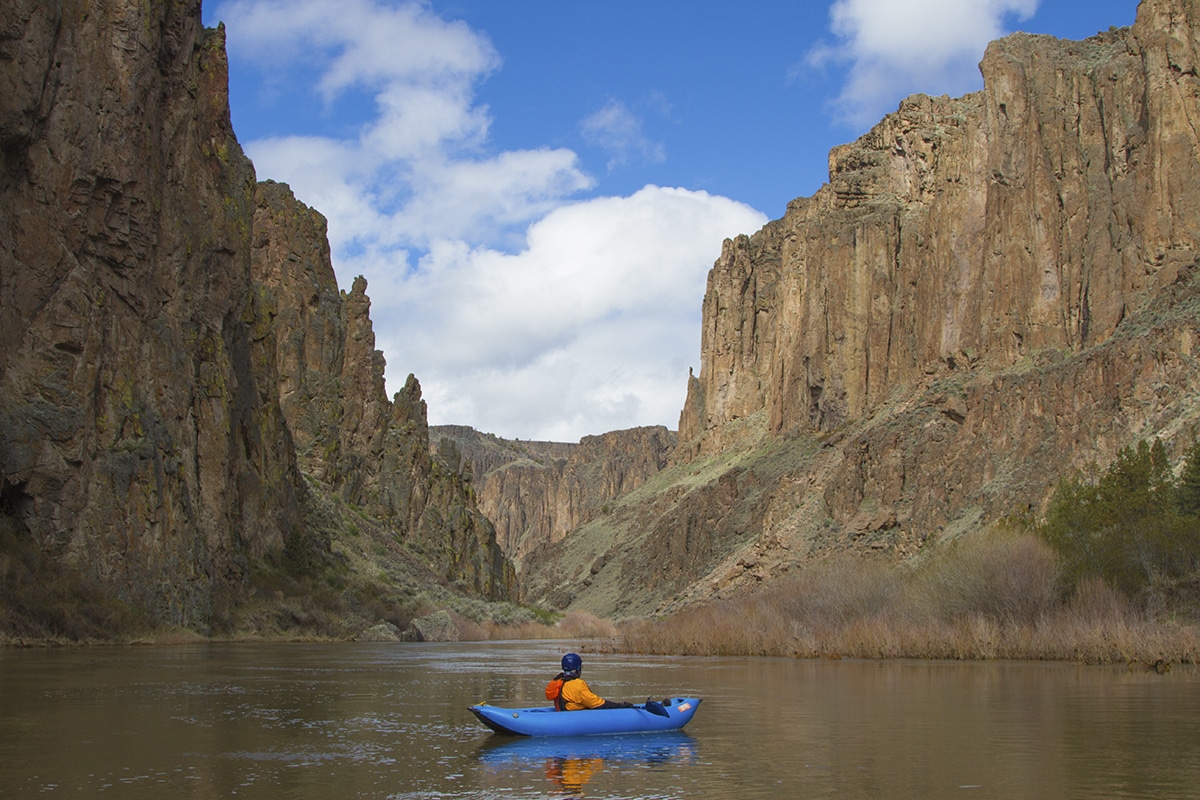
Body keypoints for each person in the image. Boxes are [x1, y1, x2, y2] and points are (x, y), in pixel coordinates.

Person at [545, 652, 633, 711]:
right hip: (572, 717)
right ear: (578, 668)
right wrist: (619, 706)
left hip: (562, 713)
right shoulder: (578, 685)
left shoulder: (558, 680)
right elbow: (597, 704)